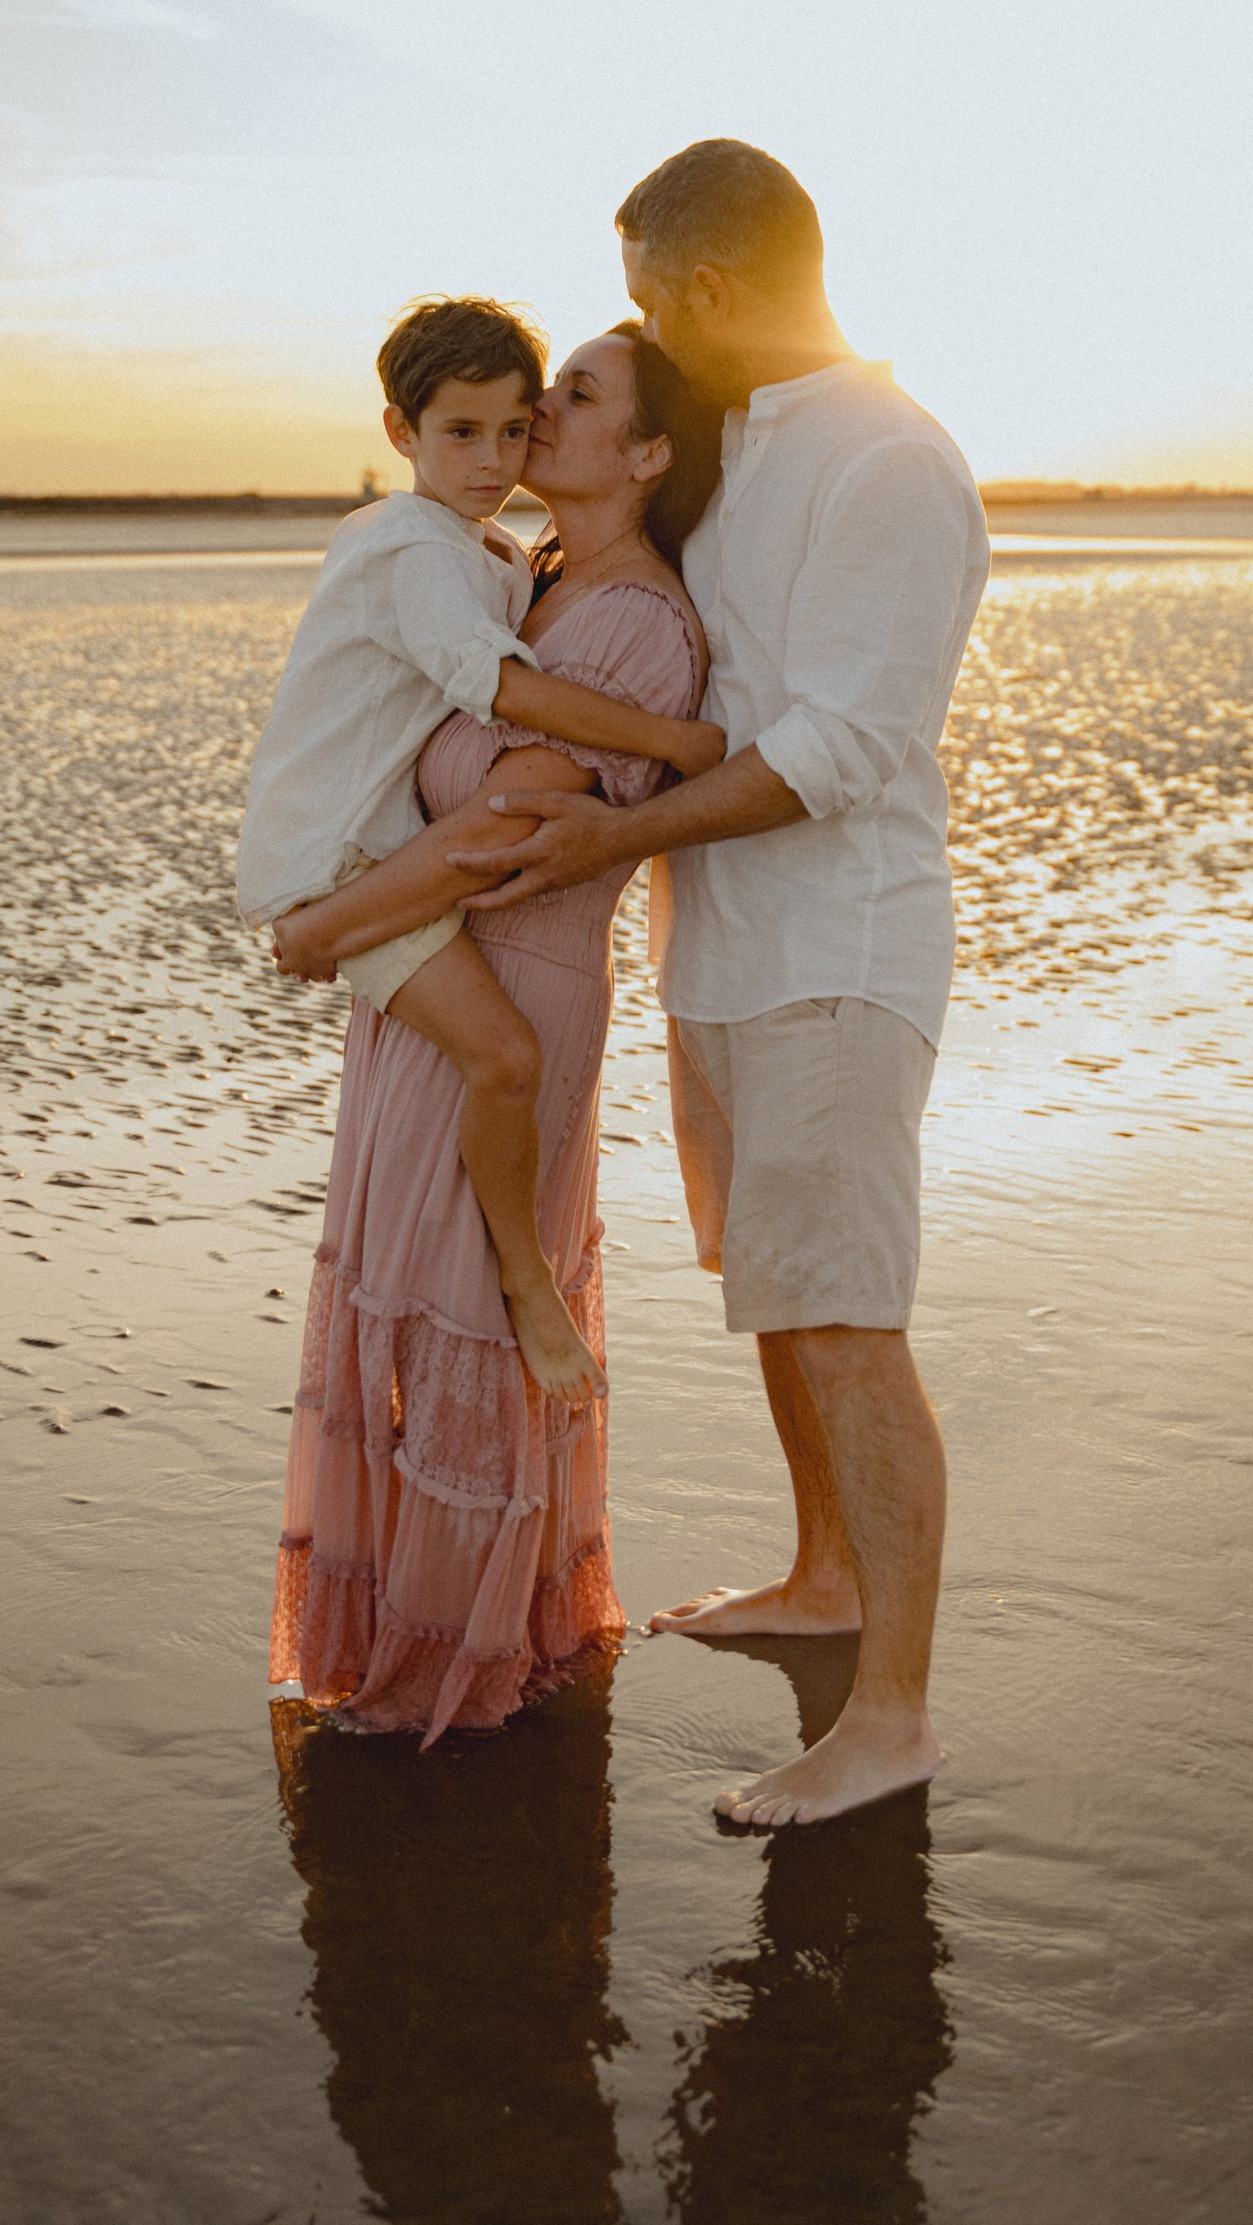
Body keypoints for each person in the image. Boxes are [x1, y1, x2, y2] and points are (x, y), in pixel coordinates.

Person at [448, 141, 991, 1826]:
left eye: (645, 296)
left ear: (702, 287)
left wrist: (615, 838)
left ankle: (892, 1716)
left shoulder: (889, 459)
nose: (637, 328)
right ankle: (823, 1576)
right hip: (726, 953)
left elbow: (841, 745)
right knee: (777, 1291)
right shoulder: (736, 451)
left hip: (839, 952)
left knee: (846, 1318)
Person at [267, 324, 718, 1745]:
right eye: (519, 409)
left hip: (508, 984)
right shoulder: (522, 576)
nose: (533, 426)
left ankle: (458, 1662)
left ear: (648, 453)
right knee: (413, 1317)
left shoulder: (634, 621)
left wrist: (320, 932)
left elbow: (510, 821)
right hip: (434, 968)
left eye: (568, 400)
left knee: (470, 1316)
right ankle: (422, 1633)